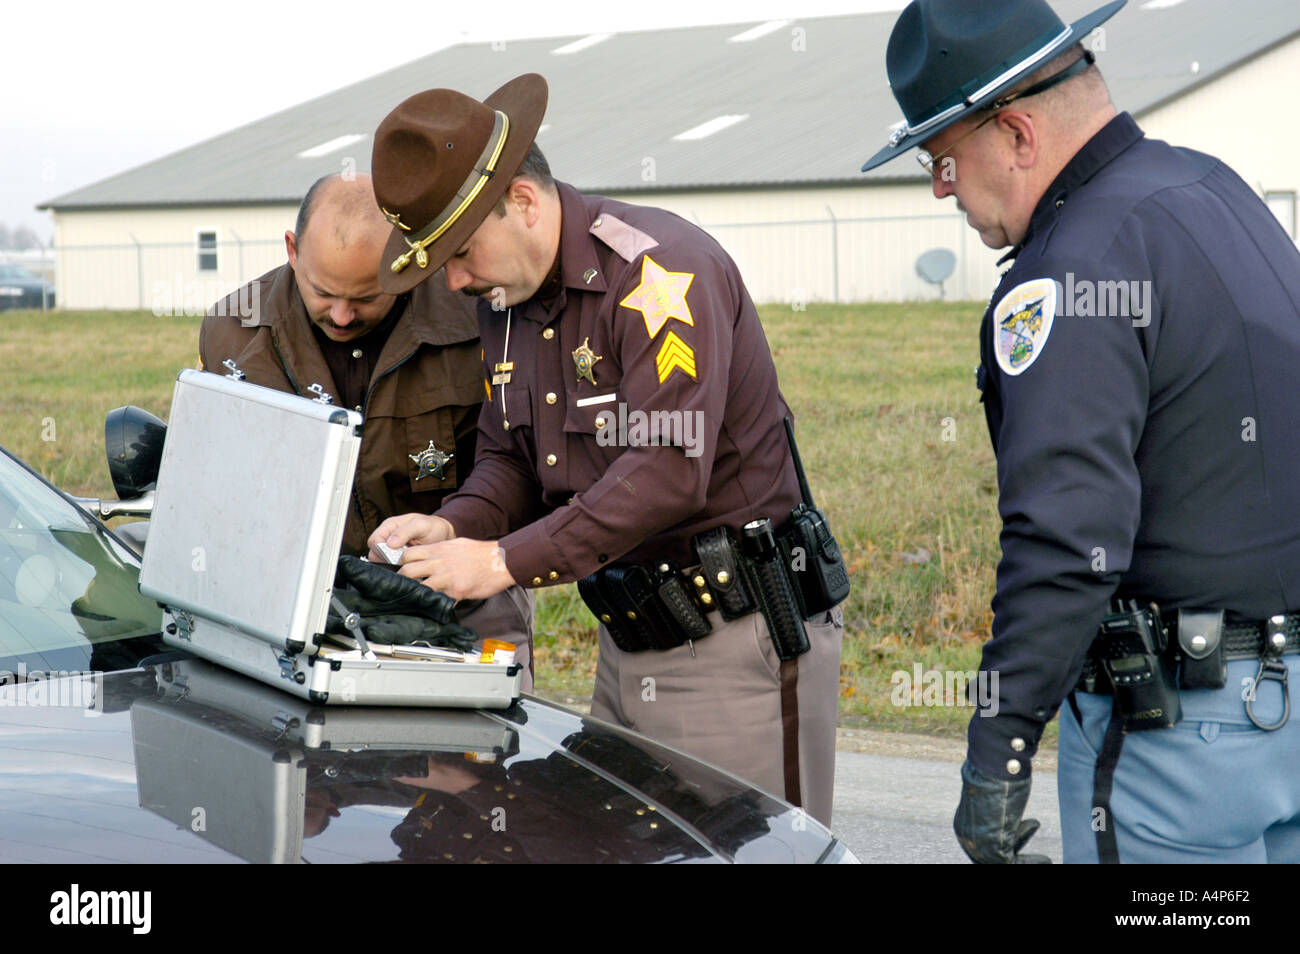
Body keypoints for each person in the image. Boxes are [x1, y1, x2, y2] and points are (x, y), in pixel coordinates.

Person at [863, 0, 1300, 863]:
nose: (941, 187)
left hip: (1178, 742)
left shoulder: (1069, 269)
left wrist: (999, 749)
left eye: (942, 157)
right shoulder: (1216, 190)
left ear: (1018, 133)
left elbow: (1068, 539)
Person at [365, 75, 845, 824]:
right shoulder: (505, 299)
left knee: (750, 850)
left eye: (459, 252)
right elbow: (509, 459)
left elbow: (663, 471)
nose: (455, 281)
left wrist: (497, 562)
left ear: (523, 202)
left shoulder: (659, 274)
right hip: (627, 641)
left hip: (732, 642)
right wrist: (456, 525)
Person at [200, 173, 534, 687]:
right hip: (302, 603)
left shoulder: (477, 320)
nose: (341, 315)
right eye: (323, 292)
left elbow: (516, 466)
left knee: (473, 759)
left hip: (459, 596)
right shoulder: (234, 332)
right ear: (293, 250)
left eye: (366, 297)